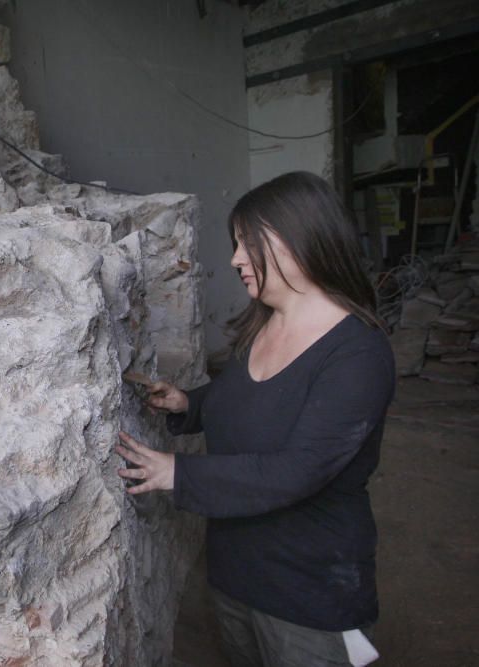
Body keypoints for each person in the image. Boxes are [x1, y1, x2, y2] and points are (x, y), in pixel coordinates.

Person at [115, 171, 395, 667]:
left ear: (299, 239)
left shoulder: (358, 354)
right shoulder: (263, 326)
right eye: (237, 244)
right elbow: (245, 401)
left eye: (249, 244)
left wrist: (175, 472)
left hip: (308, 592)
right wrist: (189, 404)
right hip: (236, 574)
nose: (236, 259)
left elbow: (299, 468)